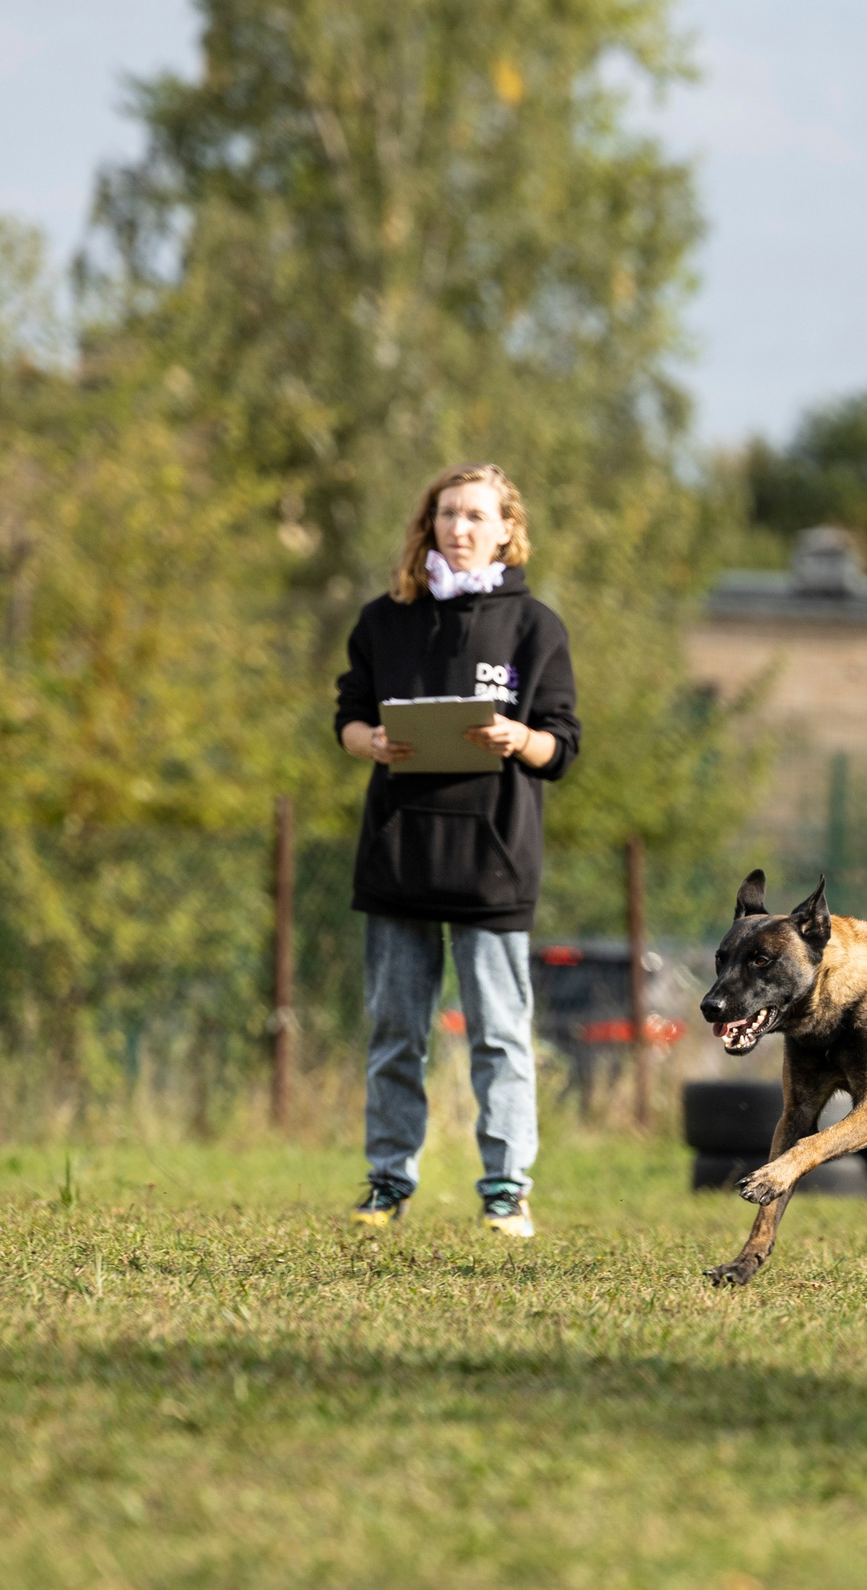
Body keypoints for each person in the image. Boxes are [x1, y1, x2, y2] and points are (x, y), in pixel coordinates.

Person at [335, 463, 580, 1238]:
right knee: (394, 1032)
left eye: (476, 515)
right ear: (429, 523)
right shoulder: (385, 619)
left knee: (500, 1038)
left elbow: (563, 746)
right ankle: (386, 1182)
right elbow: (346, 716)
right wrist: (368, 740)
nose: (459, 527)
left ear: (508, 527)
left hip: (493, 866)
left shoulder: (535, 626)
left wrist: (521, 737)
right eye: (446, 513)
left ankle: (506, 1188)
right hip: (399, 857)